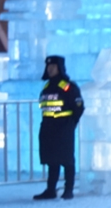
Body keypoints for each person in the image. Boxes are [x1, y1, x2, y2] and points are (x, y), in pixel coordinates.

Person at [33, 55, 83, 200]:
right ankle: (51, 190)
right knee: (51, 159)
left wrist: (70, 124)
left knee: (67, 159)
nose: (50, 69)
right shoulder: (47, 86)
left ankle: (68, 190)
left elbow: (78, 107)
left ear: (60, 68)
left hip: (63, 127)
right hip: (48, 127)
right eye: (48, 66)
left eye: (53, 66)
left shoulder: (68, 87)